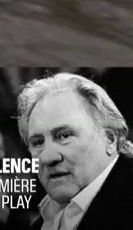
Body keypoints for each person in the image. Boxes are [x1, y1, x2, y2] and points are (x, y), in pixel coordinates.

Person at [16, 72, 133, 230]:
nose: (47, 158)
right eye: (38, 142)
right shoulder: (46, 218)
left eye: (64, 136)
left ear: (110, 138)